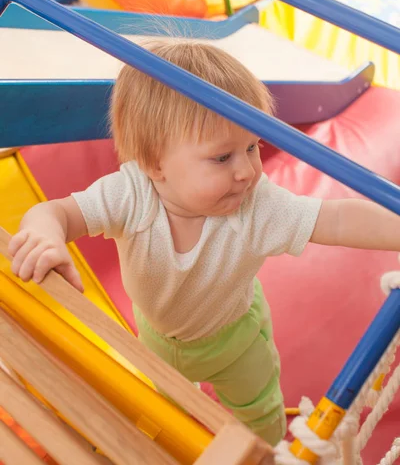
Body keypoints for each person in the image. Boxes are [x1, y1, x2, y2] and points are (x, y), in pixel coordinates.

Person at [8, 39, 400, 446]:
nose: (248, 170)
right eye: (222, 157)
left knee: (259, 412)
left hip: (234, 339)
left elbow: (333, 219)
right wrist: (44, 235)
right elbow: (56, 213)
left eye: (253, 147)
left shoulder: (255, 206)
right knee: (174, 411)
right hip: (157, 337)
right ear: (154, 164)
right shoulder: (130, 194)